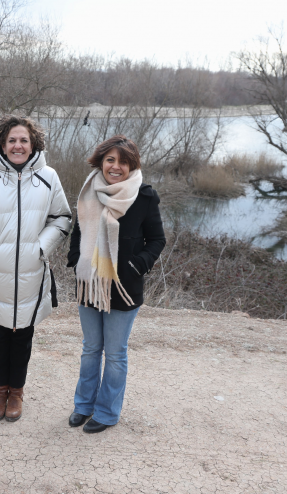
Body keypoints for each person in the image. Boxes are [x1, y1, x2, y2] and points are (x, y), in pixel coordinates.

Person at [0, 115, 71, 422]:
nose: (18, 146)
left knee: (23, 337)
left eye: (24, 140)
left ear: (33, 144)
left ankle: (16, 393)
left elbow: (61, 218)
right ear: (1, 144)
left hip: (33, 272)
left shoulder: (48, 177)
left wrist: (41, 247)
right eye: (12, 140)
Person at [66, 135, 166, 433]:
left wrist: (136, 266)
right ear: (101, 161)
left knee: (116, 353)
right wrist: (75, 259)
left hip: (124, 286)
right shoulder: (89, 191)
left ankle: (107, 412)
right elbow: (79, 230)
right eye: (110, 159)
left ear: (132, 165)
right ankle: (83, 406)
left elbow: (157, 240)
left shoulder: (145, 195)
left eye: (123, 161)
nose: (116, 166)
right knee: (90, 349)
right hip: (89, 284)